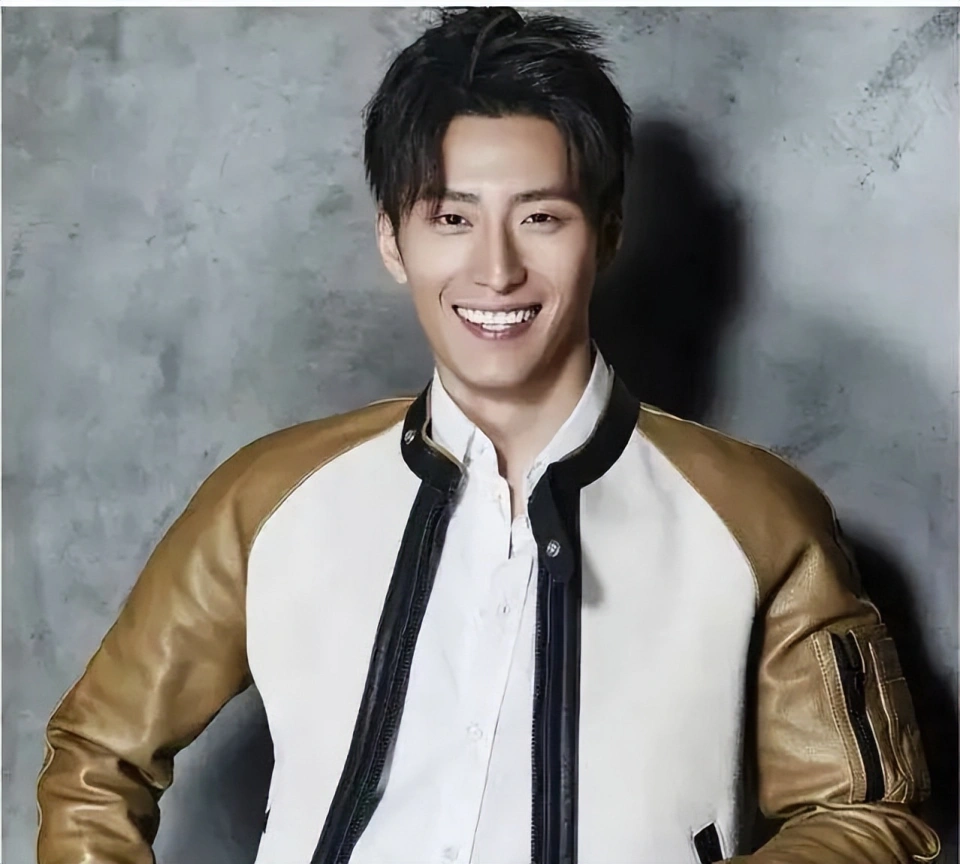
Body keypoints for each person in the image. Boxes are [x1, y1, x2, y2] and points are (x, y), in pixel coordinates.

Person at [36, 8, 940, 864]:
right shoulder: (268, 498)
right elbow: (96, 756)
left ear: (607, 233)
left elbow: (865, 815)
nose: (497, 269)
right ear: (393, 241)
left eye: (540, 217)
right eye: (451, 218)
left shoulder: (757, 518)